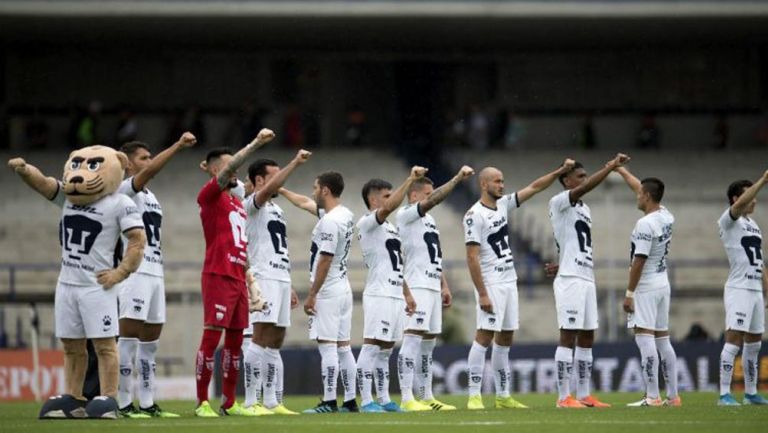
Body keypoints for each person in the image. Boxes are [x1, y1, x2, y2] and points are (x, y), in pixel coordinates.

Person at [463, 161, 575, 410]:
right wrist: (482, 293)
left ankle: (503, 396)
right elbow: (471, 257)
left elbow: (534, 187)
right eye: (497, 181)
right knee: (484, 337)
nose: (502, 185)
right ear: (484, 184)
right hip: (490, 283)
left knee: (505, 339)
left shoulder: (503, 205)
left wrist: (558, 172)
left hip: (509, 281)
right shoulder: (474, 215)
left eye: (503, 181)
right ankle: (474, 395)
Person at [194, 129, 275, 417]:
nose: (236, 170)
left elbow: (242, 247)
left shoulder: (236, 203)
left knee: (236, 343)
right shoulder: (210, 196)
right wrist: (255, 143)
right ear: (217, 170)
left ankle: (229, 402)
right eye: (230, 166)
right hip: (217, 274)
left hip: (238, 278)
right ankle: (202, 402)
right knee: (211, 338)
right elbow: (230, 167)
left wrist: (252, 284)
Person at [116, 132, 197, 418]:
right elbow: (151, 171)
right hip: (134, 272)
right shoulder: (124, 188)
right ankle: (124, 403)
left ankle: (148, 403)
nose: (149, 162)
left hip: (155, 272)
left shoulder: (152, 196)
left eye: (150, 156)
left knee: (150, 342)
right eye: (143, 158)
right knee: (128, 337)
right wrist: (176, 145)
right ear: (127, 164)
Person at [545, 154, 629, 408]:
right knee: (567, 335)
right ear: (567, 181)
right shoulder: (559, 201)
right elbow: (588, 186)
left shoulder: (585, 208)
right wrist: (609, 167)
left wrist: (563, 260)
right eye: (579, 177)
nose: (584, 180)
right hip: (570, 279)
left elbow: (572, 241)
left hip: (585, 276)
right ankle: (563, 397)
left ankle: (583, 395)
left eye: (585, 176)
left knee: (588, 336)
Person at [396, 165, 475, 412]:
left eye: (432, 193)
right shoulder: (406, 214)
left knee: (429, 344)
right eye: (427, 194)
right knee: (411, 341)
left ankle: (427, 396)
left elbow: (435, 255)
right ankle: (407, 398)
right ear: (414, 195)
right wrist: (457, 178)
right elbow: (436, 200)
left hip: (432, 285)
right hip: (417, 285)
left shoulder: (430, 221)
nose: (431, 198)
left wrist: (444, 285)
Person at [240, 150, 312, 416]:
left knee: (277, 339)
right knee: (259, 337)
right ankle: (250, 401)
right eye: (274, 176)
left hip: (280, 278)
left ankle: (271, 400)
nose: (280, 181)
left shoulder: (277, 208)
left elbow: (278, 248)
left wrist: (289, 283)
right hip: (264, 277)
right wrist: (294, 163)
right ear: (259, 181)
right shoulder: (251, 203)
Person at [280, 173, 357, 413]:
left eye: (315, 187)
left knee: (328, 346)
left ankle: (329, 401)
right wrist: (281, 190)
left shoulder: (329, 222)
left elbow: (325, 259)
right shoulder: (345, 214)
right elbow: (304, 202)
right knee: (344, 347)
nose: (312, 192)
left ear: (325, 190)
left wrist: (312, 294)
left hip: (328, 290)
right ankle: (351, 401)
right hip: (343, 286)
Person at [355, 167, 425, 413]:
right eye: (386, 196)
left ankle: (383, 399)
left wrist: (406, 292)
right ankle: (365, 401)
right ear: (373, 200)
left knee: (385, 350)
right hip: (379, 293)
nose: (390, 200)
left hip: (395, 293)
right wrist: (410, 180)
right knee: (372, 345)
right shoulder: (367, 223)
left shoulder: (390, 228)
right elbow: (387, 209)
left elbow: (396, 263)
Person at [615, 168, 680, 407]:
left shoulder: (644, 224)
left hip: (646, 286)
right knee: (663, 339)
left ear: (647, 197)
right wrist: (621, 170)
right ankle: (673, 397)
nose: (636, 196)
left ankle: (652, 396)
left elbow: (638, 261)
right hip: (663, 283)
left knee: (644, 338)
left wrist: (629, 293)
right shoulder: (666, 215)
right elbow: (640, 186)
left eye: (639, 194)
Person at [716, 173, 768, 406]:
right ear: (737, 198)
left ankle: (750, 393)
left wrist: (766, 286)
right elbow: (738, 206)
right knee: (733, 339)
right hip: (738, 288)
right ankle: (724, 394)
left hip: (755, 289)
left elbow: (759, 260)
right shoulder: (729, 220)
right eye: (750, 195)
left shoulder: (753, 225)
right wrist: (762, 181)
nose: (755, 199)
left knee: (755, 343)